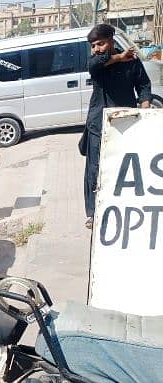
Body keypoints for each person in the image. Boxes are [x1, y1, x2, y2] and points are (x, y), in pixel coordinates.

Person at [82, 24, 152, 229]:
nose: (97, 49)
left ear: (112, 40)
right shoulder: (96, 62)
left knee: (124, 166)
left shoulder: (132, 62)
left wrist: (145, 105)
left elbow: (144, 85)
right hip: (98, 125)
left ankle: (123, 206)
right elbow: (95, 66)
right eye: (93, 45)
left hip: (126, 123)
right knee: (95, 169)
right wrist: (119, 57)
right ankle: (93, 214)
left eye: (101, 43)